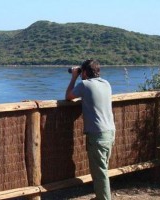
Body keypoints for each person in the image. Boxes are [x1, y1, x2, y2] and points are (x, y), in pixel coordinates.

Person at [65, 59, 116, 200]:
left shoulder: (84, 84)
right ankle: (101, 197)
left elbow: (68, 96)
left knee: (100, 174)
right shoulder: (106, 84)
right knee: (102, 170)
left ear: (85, 72)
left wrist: (74, 77)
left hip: (98, 136)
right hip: (110, 132)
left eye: (82, 72)